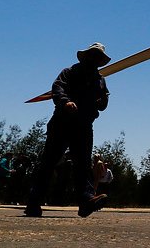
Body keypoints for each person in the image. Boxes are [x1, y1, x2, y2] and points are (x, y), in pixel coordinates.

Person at [25, 42, 111, 218]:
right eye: (92, 55)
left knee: (83, 165)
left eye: (98, 57)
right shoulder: (69, 72)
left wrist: (103, 100)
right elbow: (57, 88)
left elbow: (102, 104)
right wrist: (65, 102)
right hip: (62, 123)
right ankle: (34, 202)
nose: (94, 59)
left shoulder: (100, 80)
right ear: (86, 56)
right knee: (49, 163)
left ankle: (86, 201)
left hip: (84, 126)